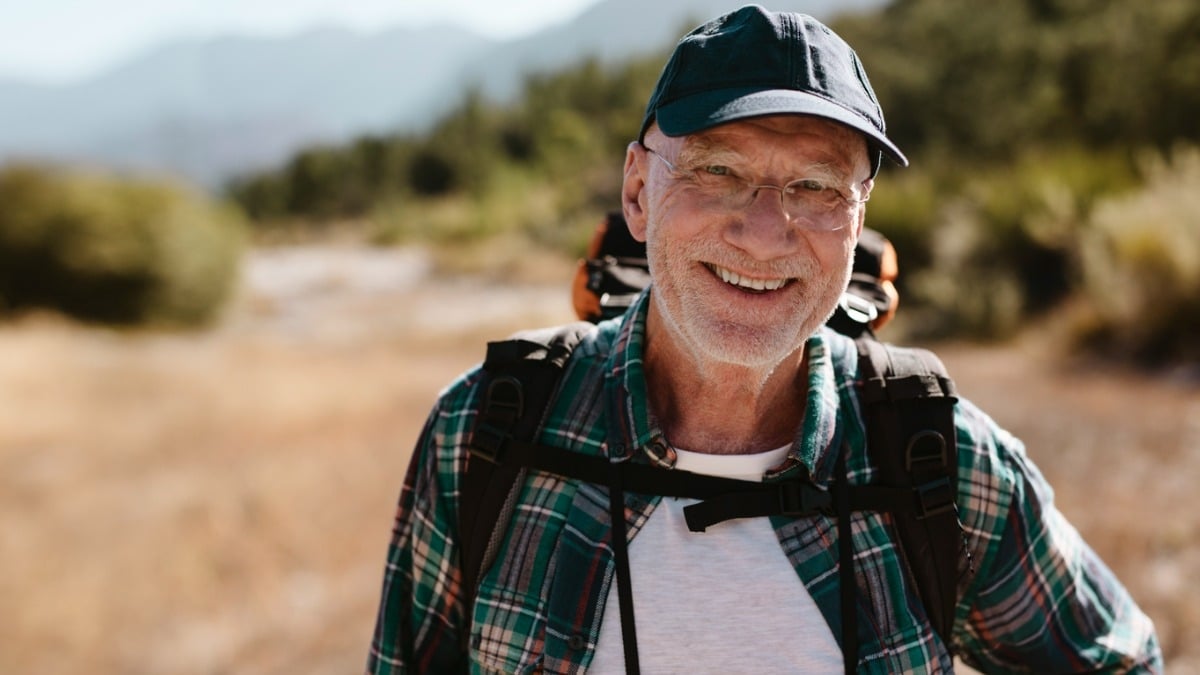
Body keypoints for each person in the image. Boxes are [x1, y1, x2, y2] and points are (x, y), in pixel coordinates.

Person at [366, 6, 1162, 673]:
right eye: (717, 172)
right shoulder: (488, 434)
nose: (763, 232)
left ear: (857, 221)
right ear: (639, 192)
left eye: (815, 186)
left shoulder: (941, 461)